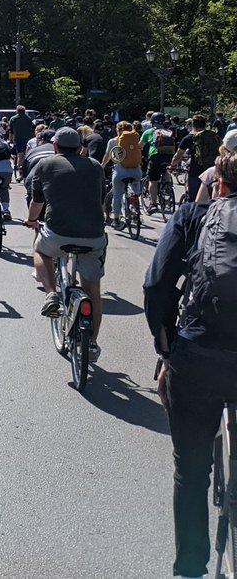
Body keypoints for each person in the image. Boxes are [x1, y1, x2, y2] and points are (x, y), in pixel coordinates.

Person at [144, 152, 237, 579]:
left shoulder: (192, 216)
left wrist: (166, 350)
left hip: (198, 355)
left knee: (192, 467)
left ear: (219, 184)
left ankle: (190, 568)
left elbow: (158, 284)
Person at [25, 127, 107, 359]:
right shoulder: (95, 166)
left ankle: (51, 292)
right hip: (93, 235)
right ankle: (91, 344)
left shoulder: (46, 165)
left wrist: (31, 220)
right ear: (81, 147)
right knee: (93, 291)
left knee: (40, 250)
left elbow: (37, 201)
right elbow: (100, 200)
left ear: (55, 146)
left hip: (58, 232)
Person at [171, 116, 222, 205]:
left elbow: (178, 155)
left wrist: (172, 166)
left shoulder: (189, 138)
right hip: (213, 169)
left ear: (193, 125)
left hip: (196, 170)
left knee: (193, 198)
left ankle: (193, 215)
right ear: (205, 125)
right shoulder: (214, 136)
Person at [106, 121, 144, 225]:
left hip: (120, 172)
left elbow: (108, 156)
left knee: (117, 195)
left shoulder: (113, 141)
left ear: (117, 130)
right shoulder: (135, 139)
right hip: (136, 172)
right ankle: (136, 208)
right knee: (135, 189)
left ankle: (116, 219)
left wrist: (102, 164)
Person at [142, 112, 179, 211]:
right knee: (165, 170)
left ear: (152, 121)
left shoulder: (149, 132)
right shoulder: (168, 131)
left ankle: (153, 204)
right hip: (170, 156)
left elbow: (139, 146)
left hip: (156, 156)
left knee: (153, 180)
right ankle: (167, 187)